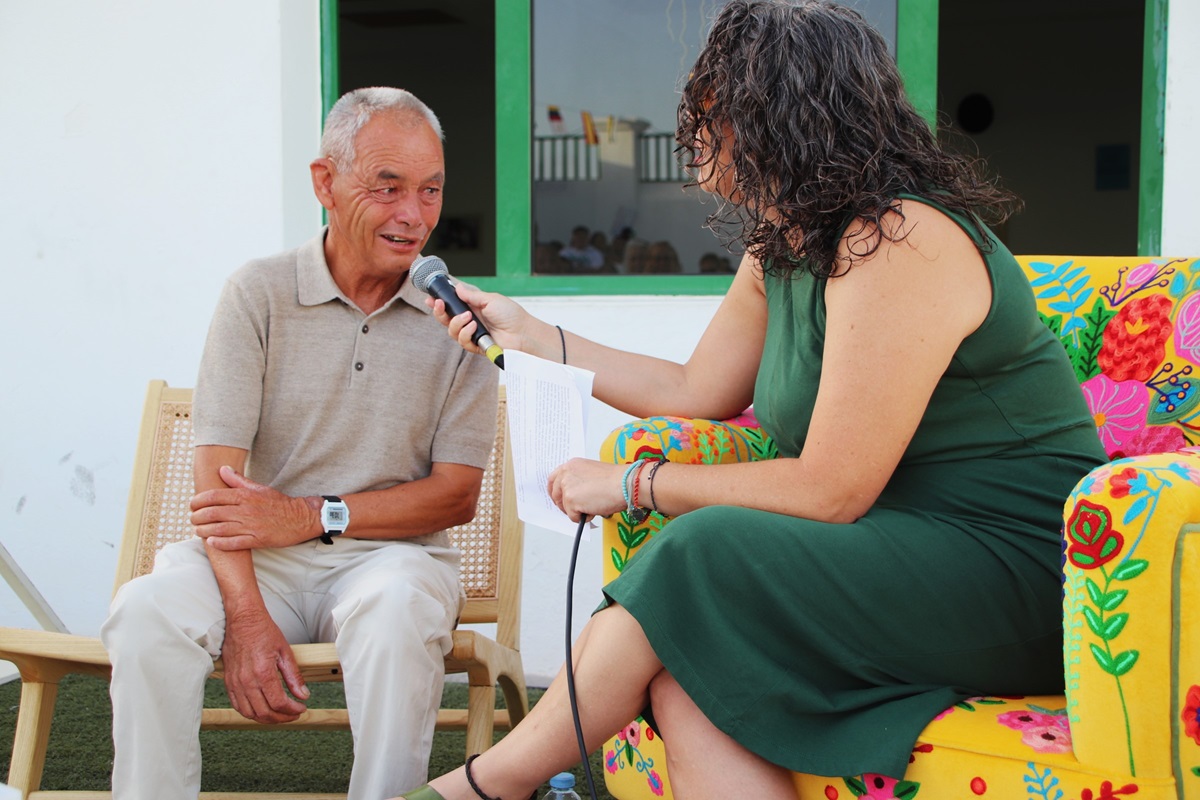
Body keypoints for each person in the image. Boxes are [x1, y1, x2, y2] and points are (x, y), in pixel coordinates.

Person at [399, 2, 1107, 798]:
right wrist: (532, 334)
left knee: (703, 547)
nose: (693, 138)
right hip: (894, 550)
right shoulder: (789, 245)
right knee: (691, 677)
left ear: (781, 118)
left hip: (1015, 568)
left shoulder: (901, 237)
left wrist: (633, 483)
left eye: (712, 114)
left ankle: (486, 786)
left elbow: (831, 489)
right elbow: (692, 390)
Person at [100, 86, 499, 800]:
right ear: (325, 182)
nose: (414, 215)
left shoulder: (460, 318)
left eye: (431, 190)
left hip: (392, 560)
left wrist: (314, 513)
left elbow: (456, 496)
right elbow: (220, 488)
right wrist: (246, 618)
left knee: (399, 606)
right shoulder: (258, 293)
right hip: (259, 564)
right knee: (145, 611)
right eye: (388, 187)